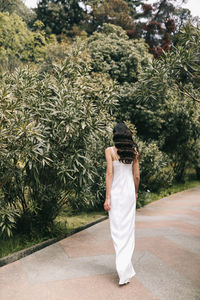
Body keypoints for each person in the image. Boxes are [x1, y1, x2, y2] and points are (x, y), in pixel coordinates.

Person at [104, 122, 140, 286]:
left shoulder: (110, 151)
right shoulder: (134, 151)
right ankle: (125, 268)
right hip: (129, 194)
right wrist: (136, 192)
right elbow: (137, 176)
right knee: (128, 230)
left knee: (117, 231)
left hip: (116, 195)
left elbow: (109, 174)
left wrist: (107, 198)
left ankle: (123, 269)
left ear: (115, 135)